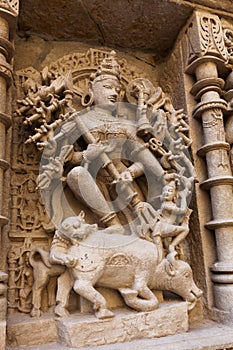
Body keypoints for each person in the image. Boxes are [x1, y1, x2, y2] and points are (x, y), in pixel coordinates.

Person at [38, 51, 165, 237]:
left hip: (123, 184)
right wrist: (84, 156)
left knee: (143, 232)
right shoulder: (79, 120)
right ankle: (112, 223)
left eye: (117, 89)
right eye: (107, 87)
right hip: (96, 185)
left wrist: (131, 172)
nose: (114, 93)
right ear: (92, 88)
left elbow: (143, 158)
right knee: (76, 174)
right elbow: (63, 158)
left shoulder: (124, 125)